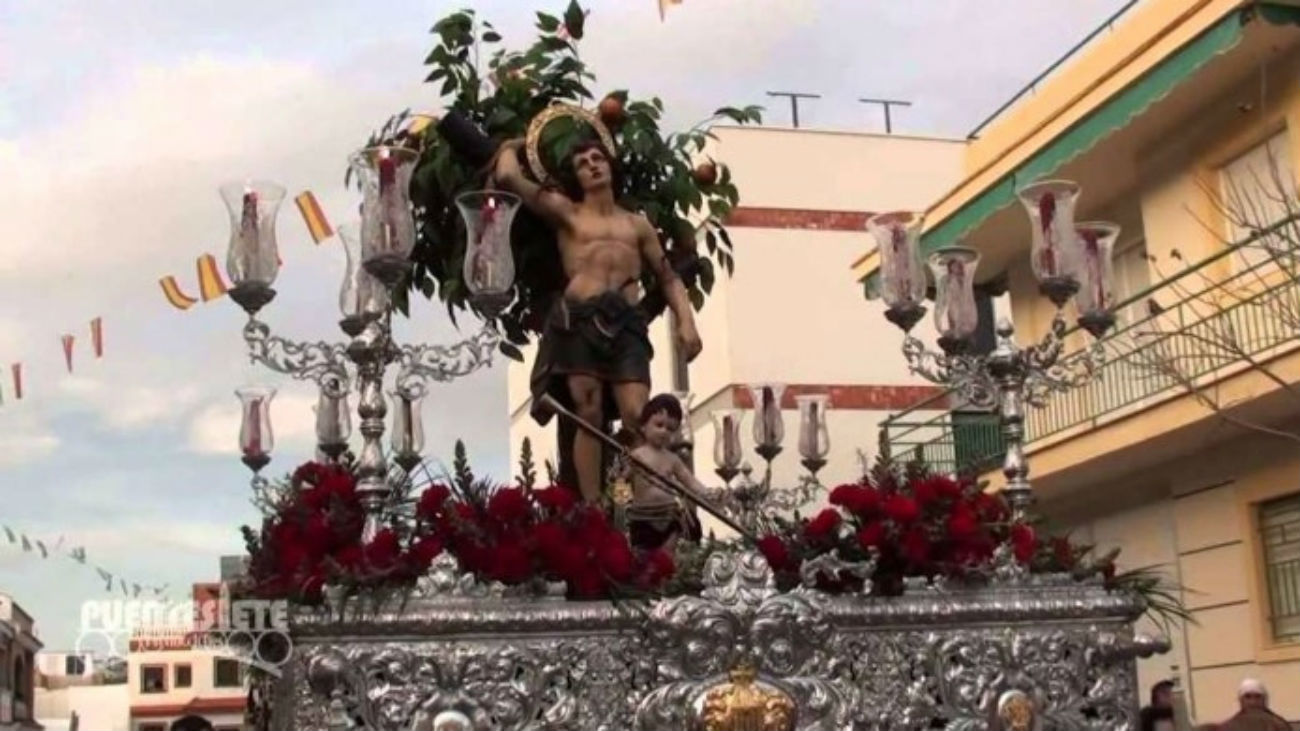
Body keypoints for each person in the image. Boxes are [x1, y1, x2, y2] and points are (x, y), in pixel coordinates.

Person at [493, 136, 703, 504]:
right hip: (581, 320)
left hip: (627, 325)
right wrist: (510, 145)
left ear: (610, 164)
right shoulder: (567, 212)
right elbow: (509, 179)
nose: (592, 165)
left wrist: (687, 322)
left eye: (597, 157)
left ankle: (646, 503)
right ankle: (591, 509)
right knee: (586, 411)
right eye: (582, 163)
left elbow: (667, 276)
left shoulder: (637, 225)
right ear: (576, 177)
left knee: (639, 416)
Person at [626, 394, 705, 551]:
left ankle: (666, 570)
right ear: (644, 426)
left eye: (670, 429)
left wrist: (708, 493)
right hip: (642, 517)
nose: (664, 432)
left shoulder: (672, 459)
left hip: (669, 516)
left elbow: (690, 481)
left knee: (666, 557)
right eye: (659, 425)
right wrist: (620, 504)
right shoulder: (636, 456)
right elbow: (621, 481)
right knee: (644, 559)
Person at [1212, 678, 1290, 731]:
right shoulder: (1229, 727)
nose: (1253, 702)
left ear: (1265, 699)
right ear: (1241, 700)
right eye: (1248, 697)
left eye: (1258, 696)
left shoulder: (1279, 725)